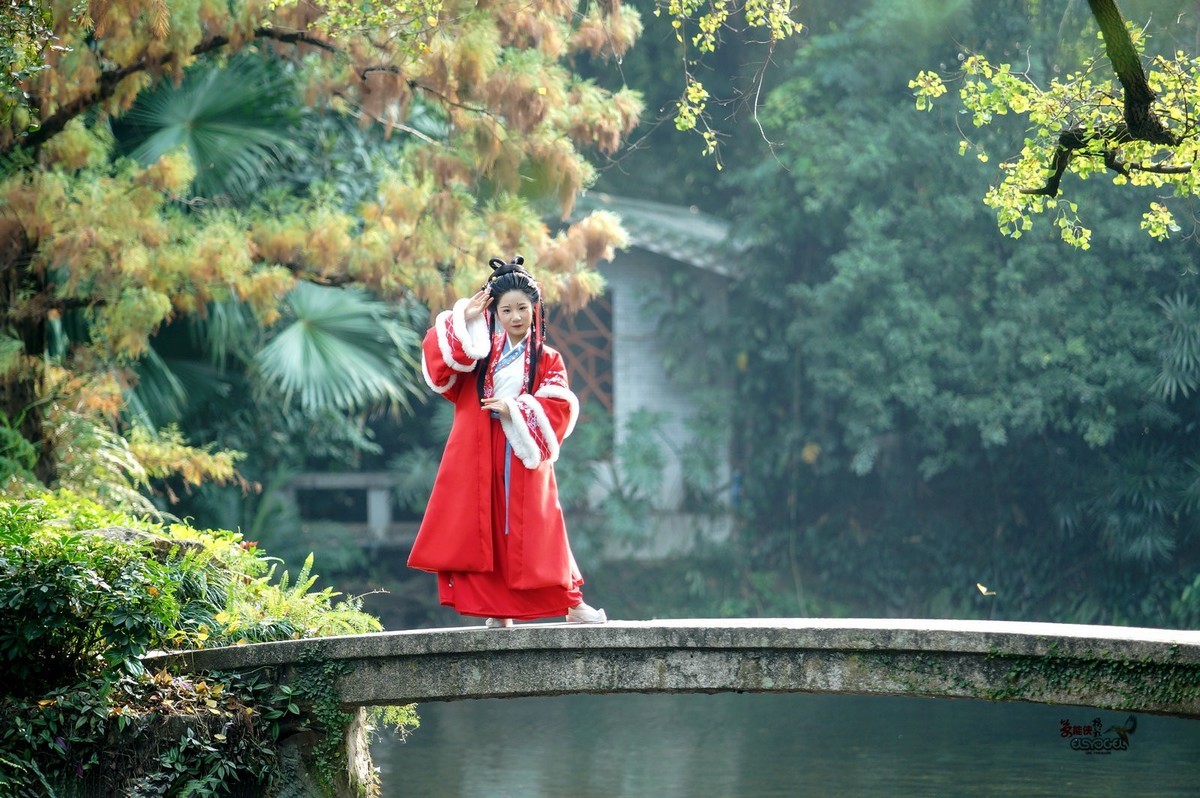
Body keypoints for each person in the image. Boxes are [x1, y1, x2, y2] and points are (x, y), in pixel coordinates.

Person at [408, 255, 607, 628]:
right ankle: (497, 612)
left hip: (521, 452)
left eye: (522, 308)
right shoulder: (480, 355)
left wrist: (515, 408)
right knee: (484, 530)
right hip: (477, 450)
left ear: (535, 309)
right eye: (506, 310)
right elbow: (439, 364)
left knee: (540, 527)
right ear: (495, 313)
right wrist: (465, 314)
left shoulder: (547, 358)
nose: (515, 317)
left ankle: (571, 604)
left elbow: (560, 406)